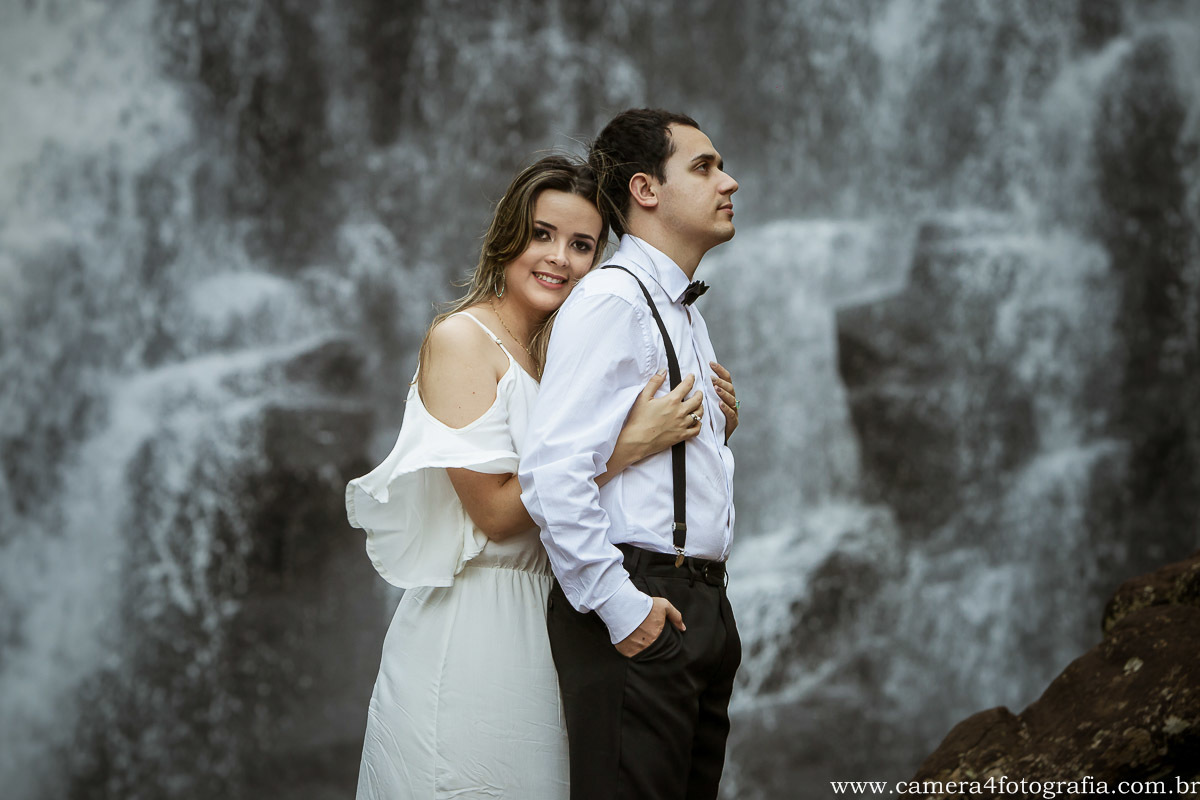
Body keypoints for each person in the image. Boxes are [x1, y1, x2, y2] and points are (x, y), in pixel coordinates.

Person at [345, 155, 711, 800]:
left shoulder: (561, 357)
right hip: (476, 625)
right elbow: (493, 511)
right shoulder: (462, 339)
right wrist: (626, 447)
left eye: (581, 245)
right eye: (542, 234)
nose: (559, 259)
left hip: (556, 617)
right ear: (508, 235)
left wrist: (711, 415)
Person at [519, 109, 743, 800]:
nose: (728, 182)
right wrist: (621, 606)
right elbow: (552, 474)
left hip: (698, 606)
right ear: (646, 190)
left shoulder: (682, 310)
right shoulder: (611, 300)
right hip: (643, 596)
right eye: (704, 167)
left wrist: (719, 430)